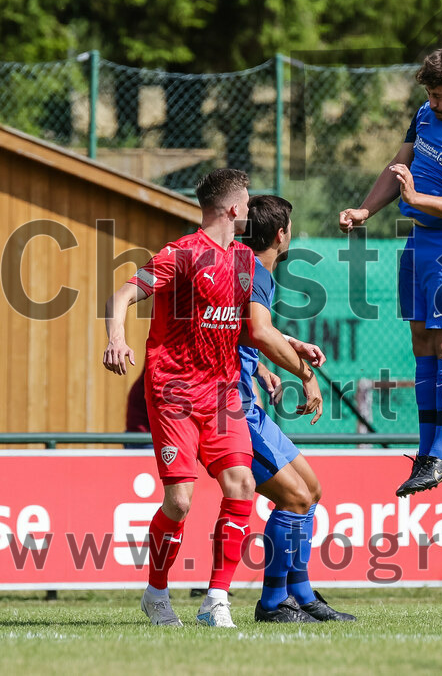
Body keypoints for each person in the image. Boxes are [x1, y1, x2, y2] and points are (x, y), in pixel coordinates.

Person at [103, 168, 322, 628]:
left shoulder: (244, 260)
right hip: (174, 391)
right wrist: (116, 338)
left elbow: (245, 327)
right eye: (247, 199)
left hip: (222, 393)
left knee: (241, 486)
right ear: (235, 208)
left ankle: (215, 600)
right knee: (180, 502)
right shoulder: (181, 254)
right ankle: (156, 594)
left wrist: (288, 346)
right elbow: (121, 296)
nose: (250, 206)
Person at [339, 47, 442, 497]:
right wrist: (365, 210)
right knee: (422, 342)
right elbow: (399, 167)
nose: (431, 103)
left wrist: (417, 201)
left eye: (438, 96)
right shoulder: (425, 115)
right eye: (428, 95)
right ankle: (428, 452)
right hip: (420, 240)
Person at [240, 195, 356, 624]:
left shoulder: (249, 269)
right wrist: (305, 374)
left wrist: (272, 357)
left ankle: (302, 595)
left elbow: (247, 332)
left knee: (311, 490)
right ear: (280, 234)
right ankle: (273, 603)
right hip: (230, 409)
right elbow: (257, 331)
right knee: (295, 497)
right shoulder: (254, 270)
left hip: (247, 402)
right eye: (290, 226)